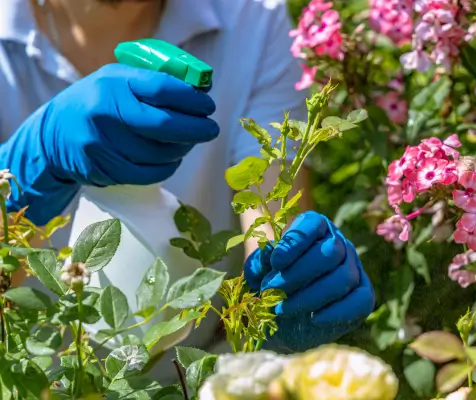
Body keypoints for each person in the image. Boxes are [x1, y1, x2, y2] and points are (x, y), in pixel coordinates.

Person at [0, 0, 375, 382]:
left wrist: (288, 286)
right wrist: (30, 167)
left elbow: (268, 216)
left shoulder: (251, 17)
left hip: (188, 382)